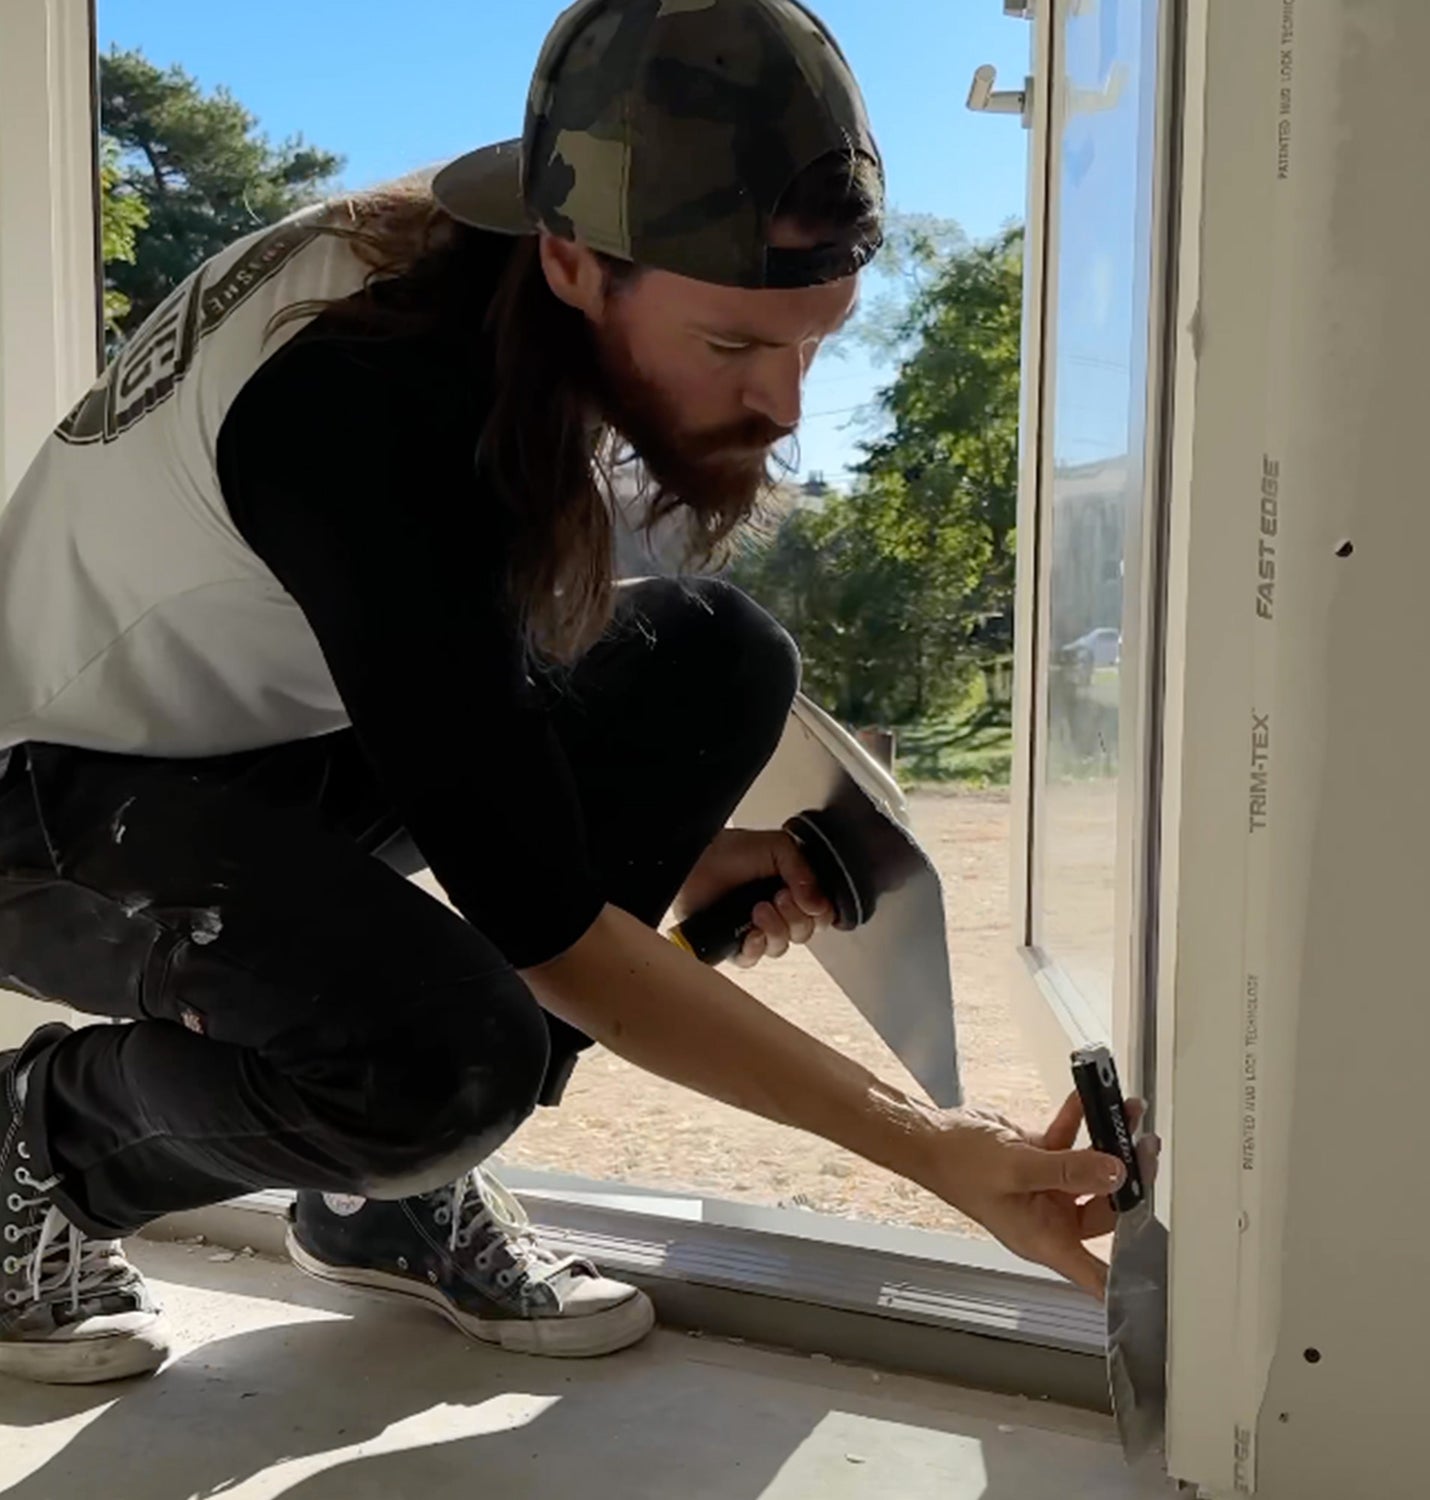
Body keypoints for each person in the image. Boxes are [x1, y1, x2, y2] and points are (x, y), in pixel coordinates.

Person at [0, 0, 1133, 1386]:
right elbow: (546, 932)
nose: (786, 407)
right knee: (441, 1061)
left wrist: (683, 857)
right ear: (574, 262)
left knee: (713, 657)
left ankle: (387, 1203)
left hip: (254, 741)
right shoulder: (366, 394)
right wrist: (931, 1148)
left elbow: (461, 716)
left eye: (815, 341)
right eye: (734, 349)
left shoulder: (504, 304)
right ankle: (41, 1144)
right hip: (45, 799)